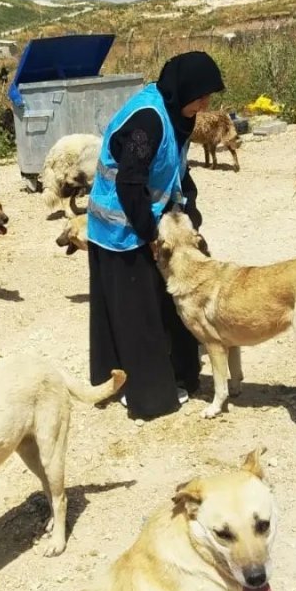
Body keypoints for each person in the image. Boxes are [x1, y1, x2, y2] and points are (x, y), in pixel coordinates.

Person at [85, 50, 225, 420]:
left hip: (150, 218)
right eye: (201, 97)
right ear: (184, 90)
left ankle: (178, 374)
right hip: (121, 229)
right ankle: (146, 393)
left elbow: (177, 168)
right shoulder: (147, 120)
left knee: (168, 303)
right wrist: (150, 237)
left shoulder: (178, 114)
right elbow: (130, 184)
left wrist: (190, 211)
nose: (205, 105)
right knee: (139, 314)